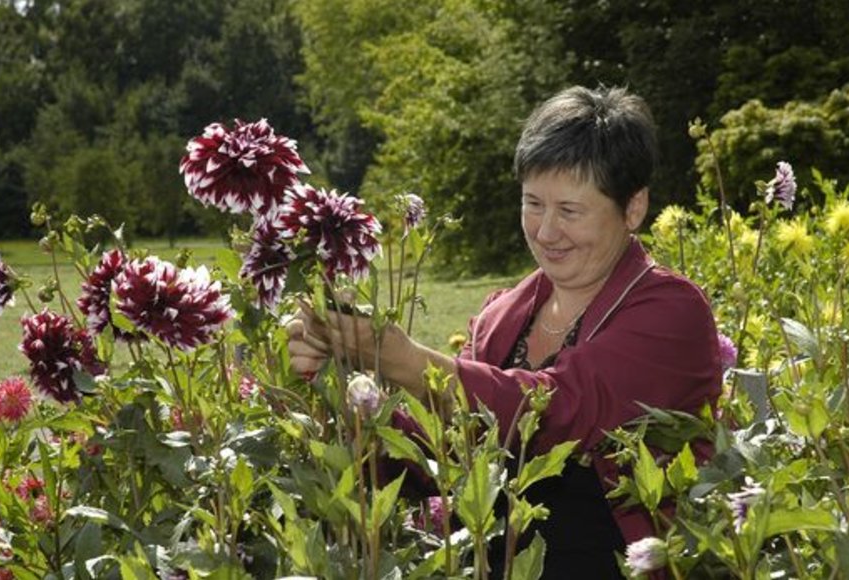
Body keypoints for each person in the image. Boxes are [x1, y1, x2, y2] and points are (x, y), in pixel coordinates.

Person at [287, 85, 722, 578]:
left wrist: (399, 358)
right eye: (533, 203)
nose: (545, 230)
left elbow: (558, 410)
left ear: (633, 208)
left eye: (570, 211)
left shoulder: (670, 311)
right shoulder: (504, 314)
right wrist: (343, 392)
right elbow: (448, 451)